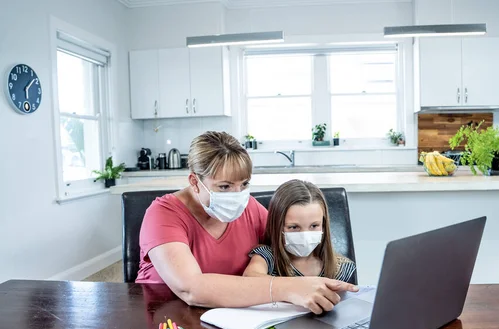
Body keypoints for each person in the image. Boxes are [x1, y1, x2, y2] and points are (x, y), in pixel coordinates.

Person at [136, 131, 357, 314]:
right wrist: (290, 288)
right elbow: (190, 289)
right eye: (224, 186)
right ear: (195, 182)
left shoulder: (248, 207)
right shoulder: (163, 215)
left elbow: (287, 245)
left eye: (244, 184)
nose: (237, 194)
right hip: (171, 317)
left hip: (234, 318)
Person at [244, 180, 356, 283]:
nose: (305, 236)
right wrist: (299, 287)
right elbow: (250, 279)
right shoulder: (267, 257)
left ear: (324, 225)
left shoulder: (340, 268)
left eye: (314, 226)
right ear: (277, 226)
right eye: (293, 227)